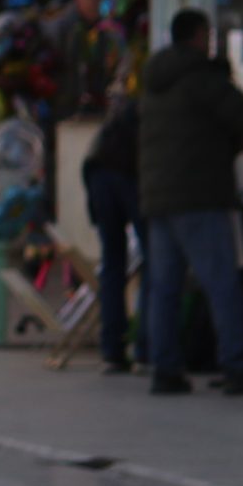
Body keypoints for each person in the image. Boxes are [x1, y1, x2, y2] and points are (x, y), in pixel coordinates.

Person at [137, 7, 243, 397]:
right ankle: (238, 366)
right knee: (221, 284)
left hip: (159, 197)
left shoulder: (156, 81)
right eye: (208, 35)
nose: (211, 43)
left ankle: (165, 370)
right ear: (197, 36)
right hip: (197, 196)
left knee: (164, 289)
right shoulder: (201, 79)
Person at [80, 91, 144, 374]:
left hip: (99, 176)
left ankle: (112, 349)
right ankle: (145, 346)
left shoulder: (126, 112)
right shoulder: (152, 109)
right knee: (153, 261)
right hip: (127, 177)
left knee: (113, 264)